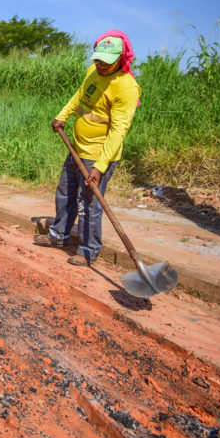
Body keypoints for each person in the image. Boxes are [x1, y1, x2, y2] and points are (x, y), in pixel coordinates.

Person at [35, 30, 141, 266]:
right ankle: (59, 235)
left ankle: (88, 249)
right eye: (98, 59)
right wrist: (62, 115)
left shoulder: (126, 87)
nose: (100, 64)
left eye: (106, 61)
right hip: (76, 148)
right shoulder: (93, 71)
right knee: (65, 193)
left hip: (98, 156)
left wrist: (101, 167)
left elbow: (118, 132)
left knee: (89, 203)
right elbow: (79, 95)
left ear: (120, 59)